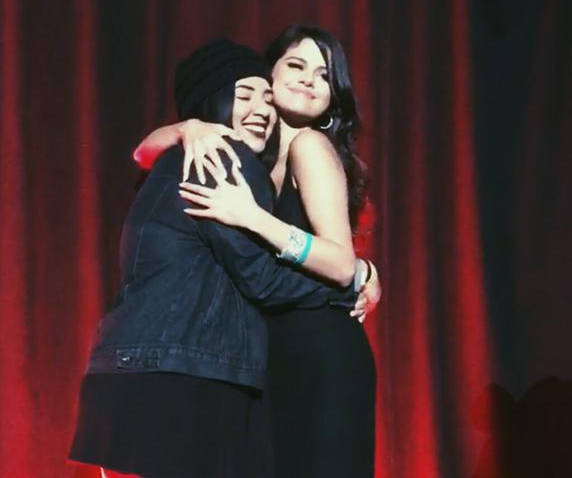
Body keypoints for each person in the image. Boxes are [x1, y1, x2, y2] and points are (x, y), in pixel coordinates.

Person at [68, 39, 362, 478]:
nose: (261, 109)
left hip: (141, 370)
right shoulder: (222, 158)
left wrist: (187, 128)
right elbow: (263, 278)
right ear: (214, 100)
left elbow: (143, 152)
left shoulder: (188, 154)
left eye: (266, 99)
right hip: (179, 375)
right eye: (245, 95)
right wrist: (349, 285)